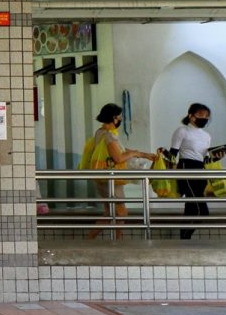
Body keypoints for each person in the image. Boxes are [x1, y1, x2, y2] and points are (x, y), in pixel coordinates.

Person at [84, 103, 152, 239]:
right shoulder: (108, 135)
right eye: (119, 117)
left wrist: (143, 154)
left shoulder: (101, 132)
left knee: (110, 212)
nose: (121, 119)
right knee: (120, 213)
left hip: (105, 178)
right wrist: (135, 154)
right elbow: (119, 157)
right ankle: (114, 240)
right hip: (110, 179)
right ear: (113, 118)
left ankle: (93, 239)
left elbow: (120, 149)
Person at [168, 103, 213, 240]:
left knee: (191, 208)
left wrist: (217, 156)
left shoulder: (206, 136)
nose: (205, 118)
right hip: (186, 167)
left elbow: (205, 158)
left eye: (207, 116)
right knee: (201, 210)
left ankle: (185, 239)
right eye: (201, 115)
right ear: (191, 116)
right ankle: (185, 237)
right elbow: (173, 153)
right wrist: (169, 169)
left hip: (200, 169)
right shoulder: (182, 131)